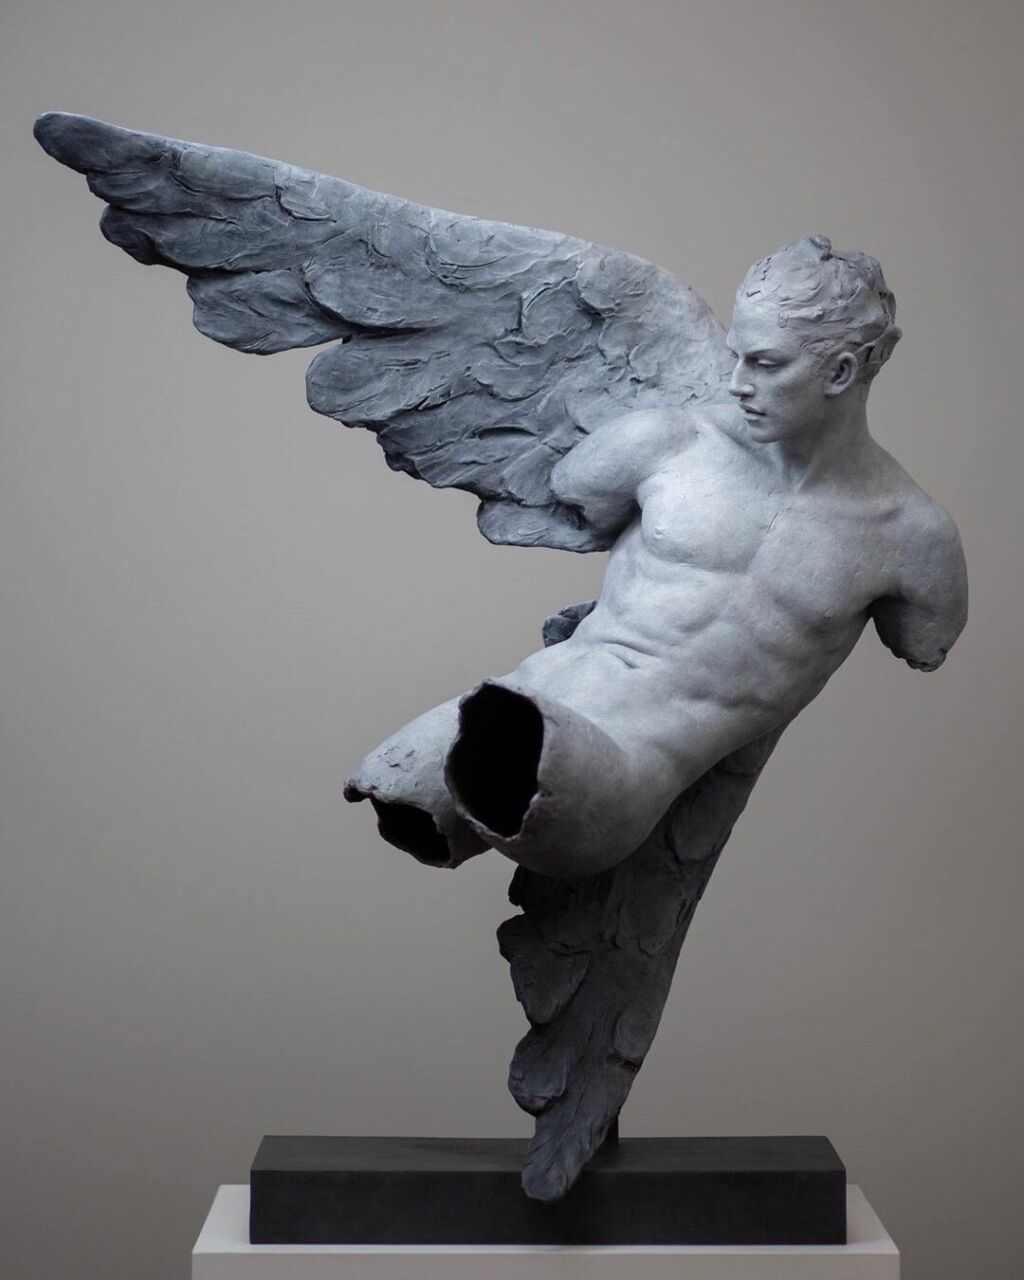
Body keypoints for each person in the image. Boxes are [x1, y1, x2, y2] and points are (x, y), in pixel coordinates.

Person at [346, 237, 967, 878]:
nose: (737, 383)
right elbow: (577, 490)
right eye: (736, 356)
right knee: (396, 779)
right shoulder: (668, 441)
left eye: (765, 364)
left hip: (625, 768)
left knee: (538, 757)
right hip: (528, 689)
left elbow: (926, 640)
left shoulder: (912, 539)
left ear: (840, 372)